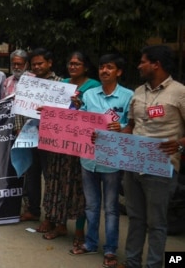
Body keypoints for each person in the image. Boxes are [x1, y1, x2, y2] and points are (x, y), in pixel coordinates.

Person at [120, 45, 185, 268]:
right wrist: (111, 136)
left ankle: (154, 265)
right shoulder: (138, 92)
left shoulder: (179, 92)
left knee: (156, 223)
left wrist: (179, 145)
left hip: (161, 168)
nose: (139, 65)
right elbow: (130, 125)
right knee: (135, 219)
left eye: (142, 61)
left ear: (156, 64)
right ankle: (132, 262)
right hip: (133, 166)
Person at [68, 54, 132, 268]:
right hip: (88, 158)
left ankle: (111, 249)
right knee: (92, 205)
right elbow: (81, 120)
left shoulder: (128, 96)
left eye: (110, 67)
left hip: (112, 161)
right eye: (102, 67)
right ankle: (91, 243)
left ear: (119, 72)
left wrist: (121, 129)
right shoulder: (89, 95)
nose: (104, 71)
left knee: (111, 207)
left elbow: (133, 126)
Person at [41, 51, 99, 242]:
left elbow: (95, 114)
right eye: (70, 63)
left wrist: (80, 105)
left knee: (78, 188)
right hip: (59, 143)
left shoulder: (93, 87)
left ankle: (80, 230)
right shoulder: (62, 85)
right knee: (57, 184)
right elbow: (54, 109)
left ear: (86, 67)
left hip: (80, 146)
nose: (72, 67)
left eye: (77, 64)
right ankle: (60, 225)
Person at [20, 48, 63, 225]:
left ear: (50, 63)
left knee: (51, 177)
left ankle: (51, 215)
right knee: (32, 175)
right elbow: (20, 108)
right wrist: (18, 129)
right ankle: (33, 210)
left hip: (51, 138)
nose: (37, 67)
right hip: (30, 135)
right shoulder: (28, 83)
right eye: (34, 64)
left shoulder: (61, 84)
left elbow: (67, 112)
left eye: (40, 63)